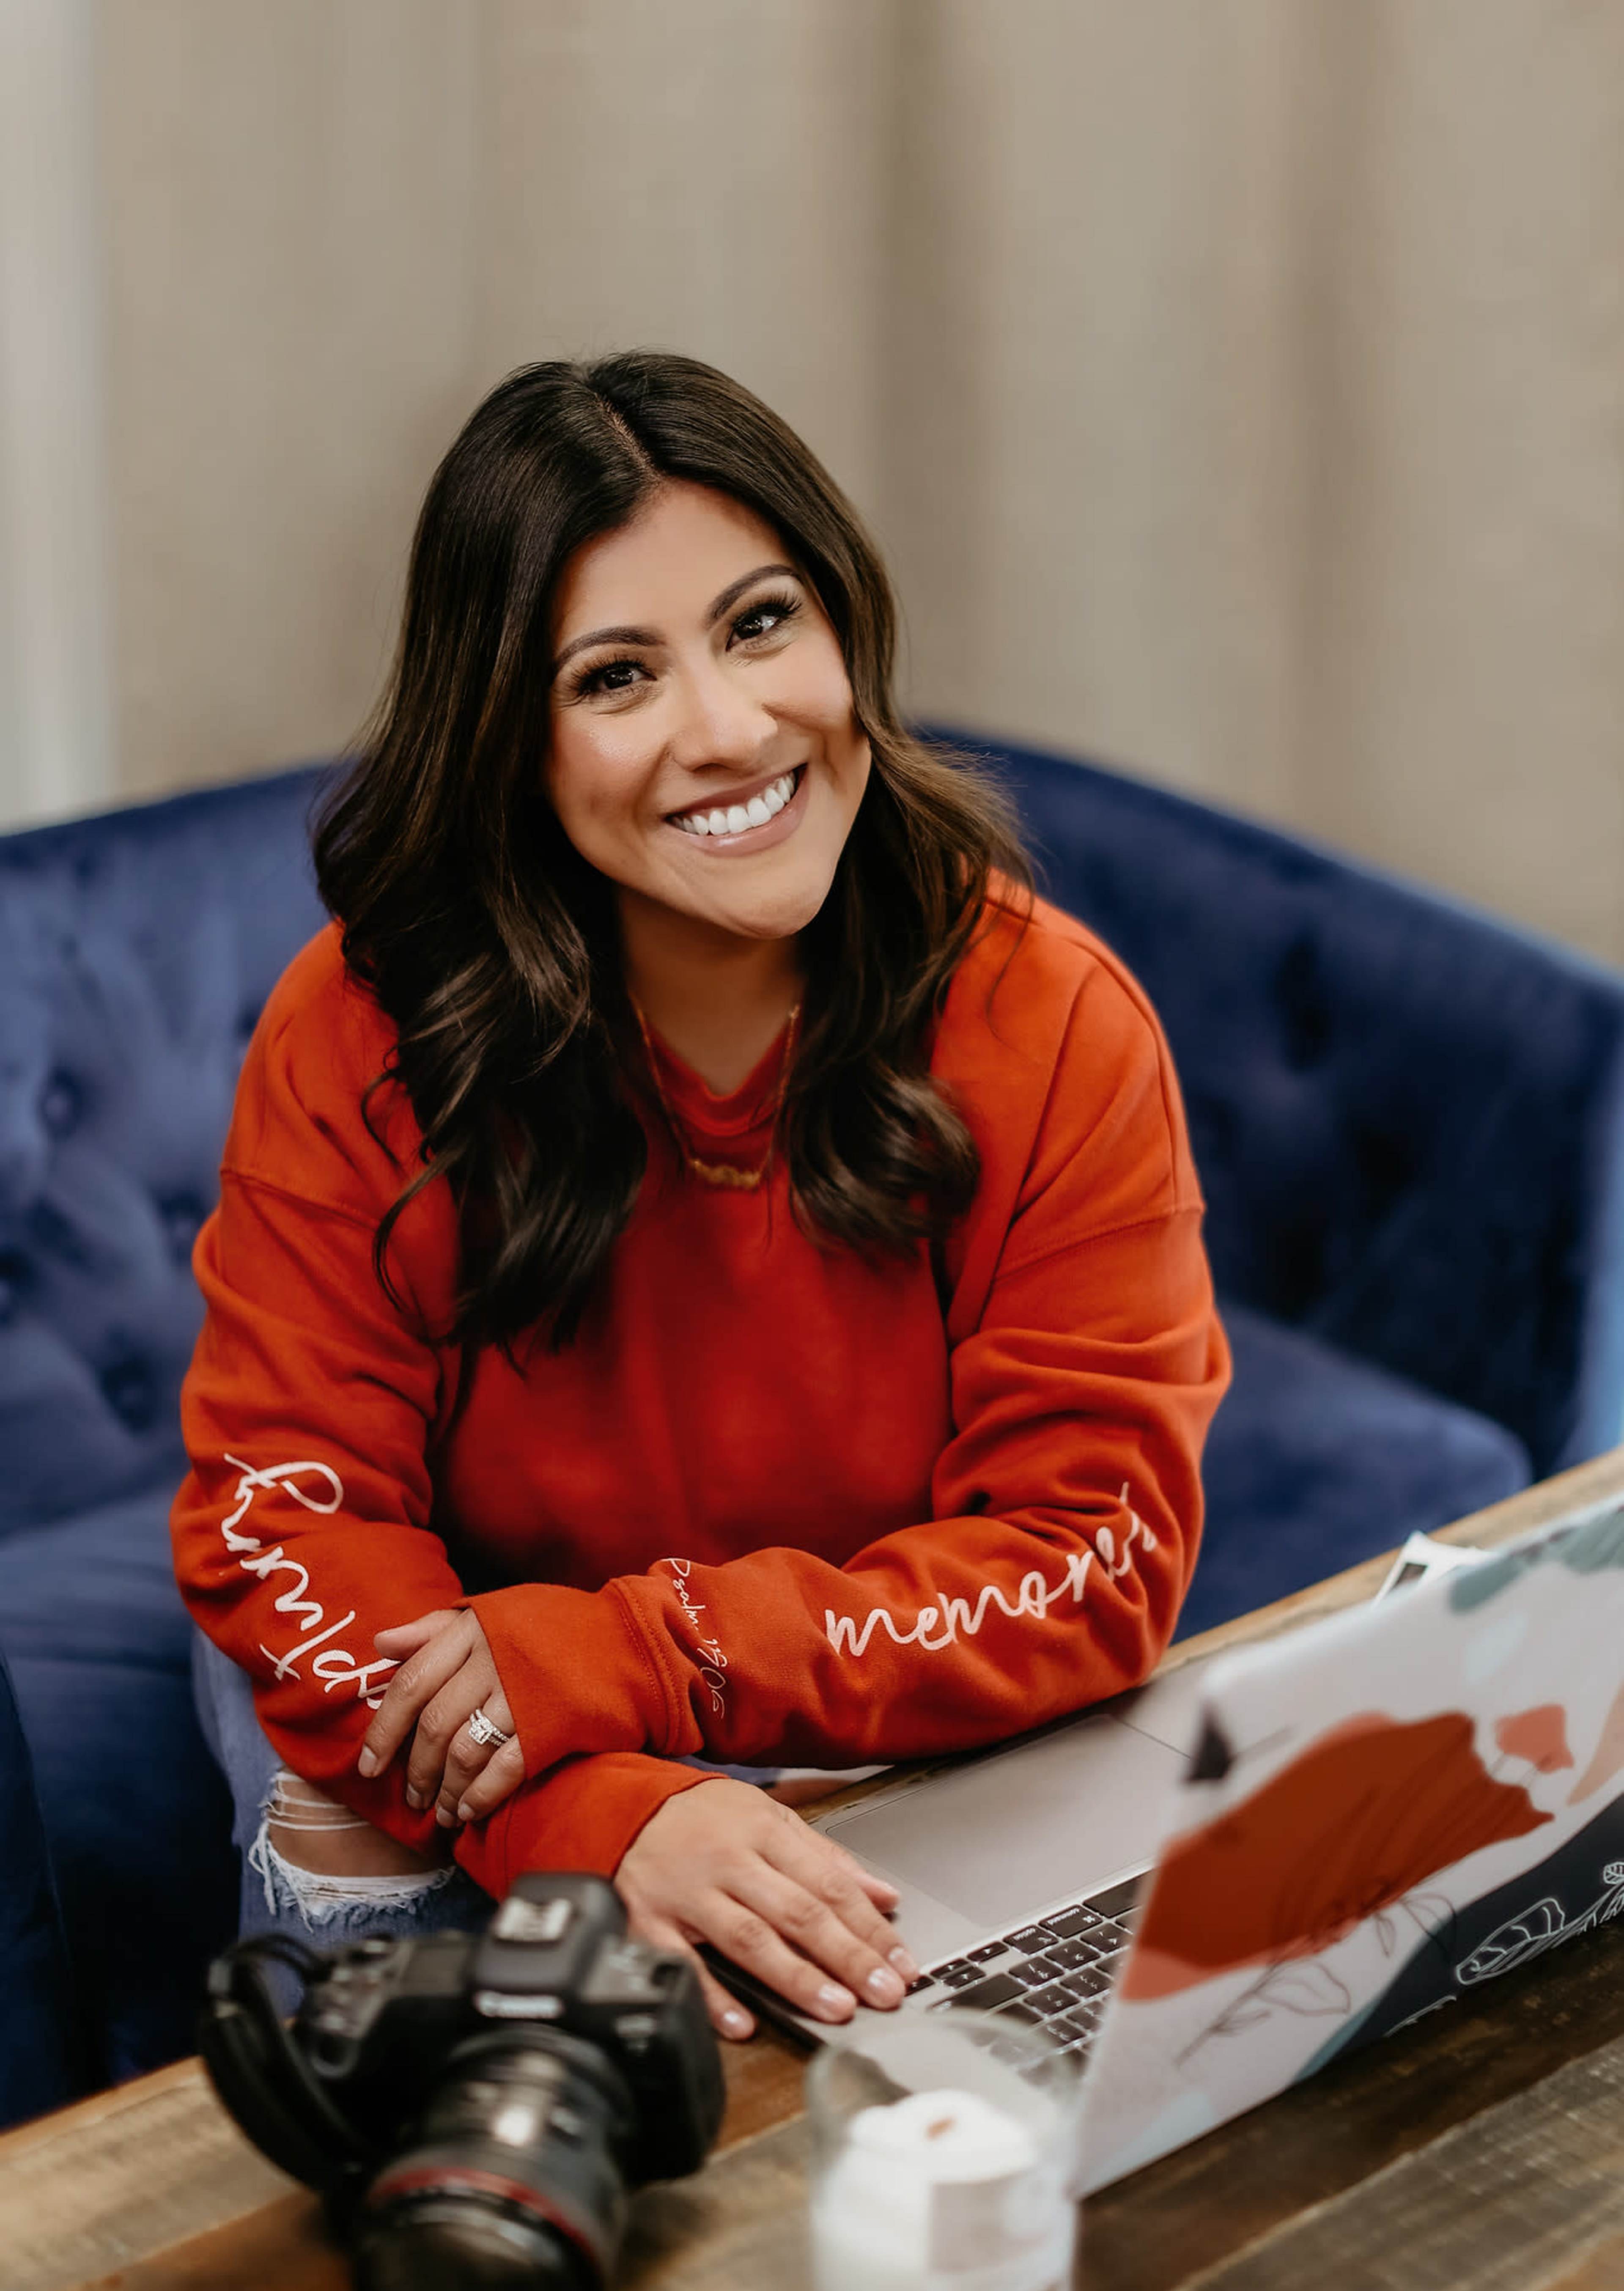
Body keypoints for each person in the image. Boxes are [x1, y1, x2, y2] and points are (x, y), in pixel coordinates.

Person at [172, 352, 1230, 2041]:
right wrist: (596, 1811)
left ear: (845, 630)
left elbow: (1089, 1562)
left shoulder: (1055, 1018)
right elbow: (285, 1521)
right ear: (513, 743)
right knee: (346, 1838)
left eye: (759, 624)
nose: (731, 730)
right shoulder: (361, 1023)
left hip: (828, 1683)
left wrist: (655, 1659)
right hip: (451, 1707)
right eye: (616, 676)